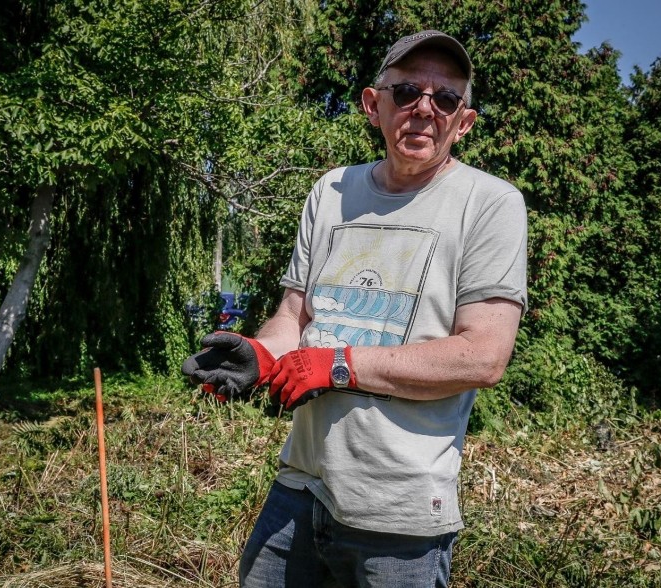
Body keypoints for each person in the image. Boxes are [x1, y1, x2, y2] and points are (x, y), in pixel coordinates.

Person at [183, 29, 528, 588]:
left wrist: (339, 364)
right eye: (407, 91)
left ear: (463, 122)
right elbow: (295, 315)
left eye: (445, 99)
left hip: (401, 510)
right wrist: (259, 354)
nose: (424, 110)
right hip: (300, 485)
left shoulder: (490, 204)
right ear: (374, 104)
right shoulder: (331, 192)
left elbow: (482, 356)